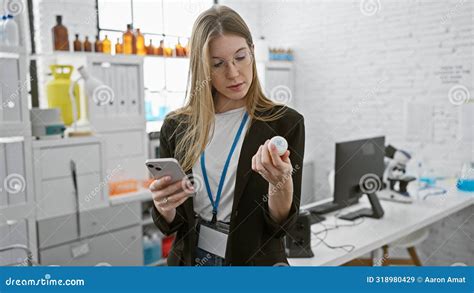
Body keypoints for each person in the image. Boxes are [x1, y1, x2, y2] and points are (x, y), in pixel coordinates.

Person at [149, 4, 305, 266]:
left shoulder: (285, 123)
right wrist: (164, 206)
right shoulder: (176, 126)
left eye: (240, 57)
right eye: (218, 64)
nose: (233, 73)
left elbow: (280, 226)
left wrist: (281, 182)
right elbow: (173, 223)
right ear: (203, 68)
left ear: (253, 52)